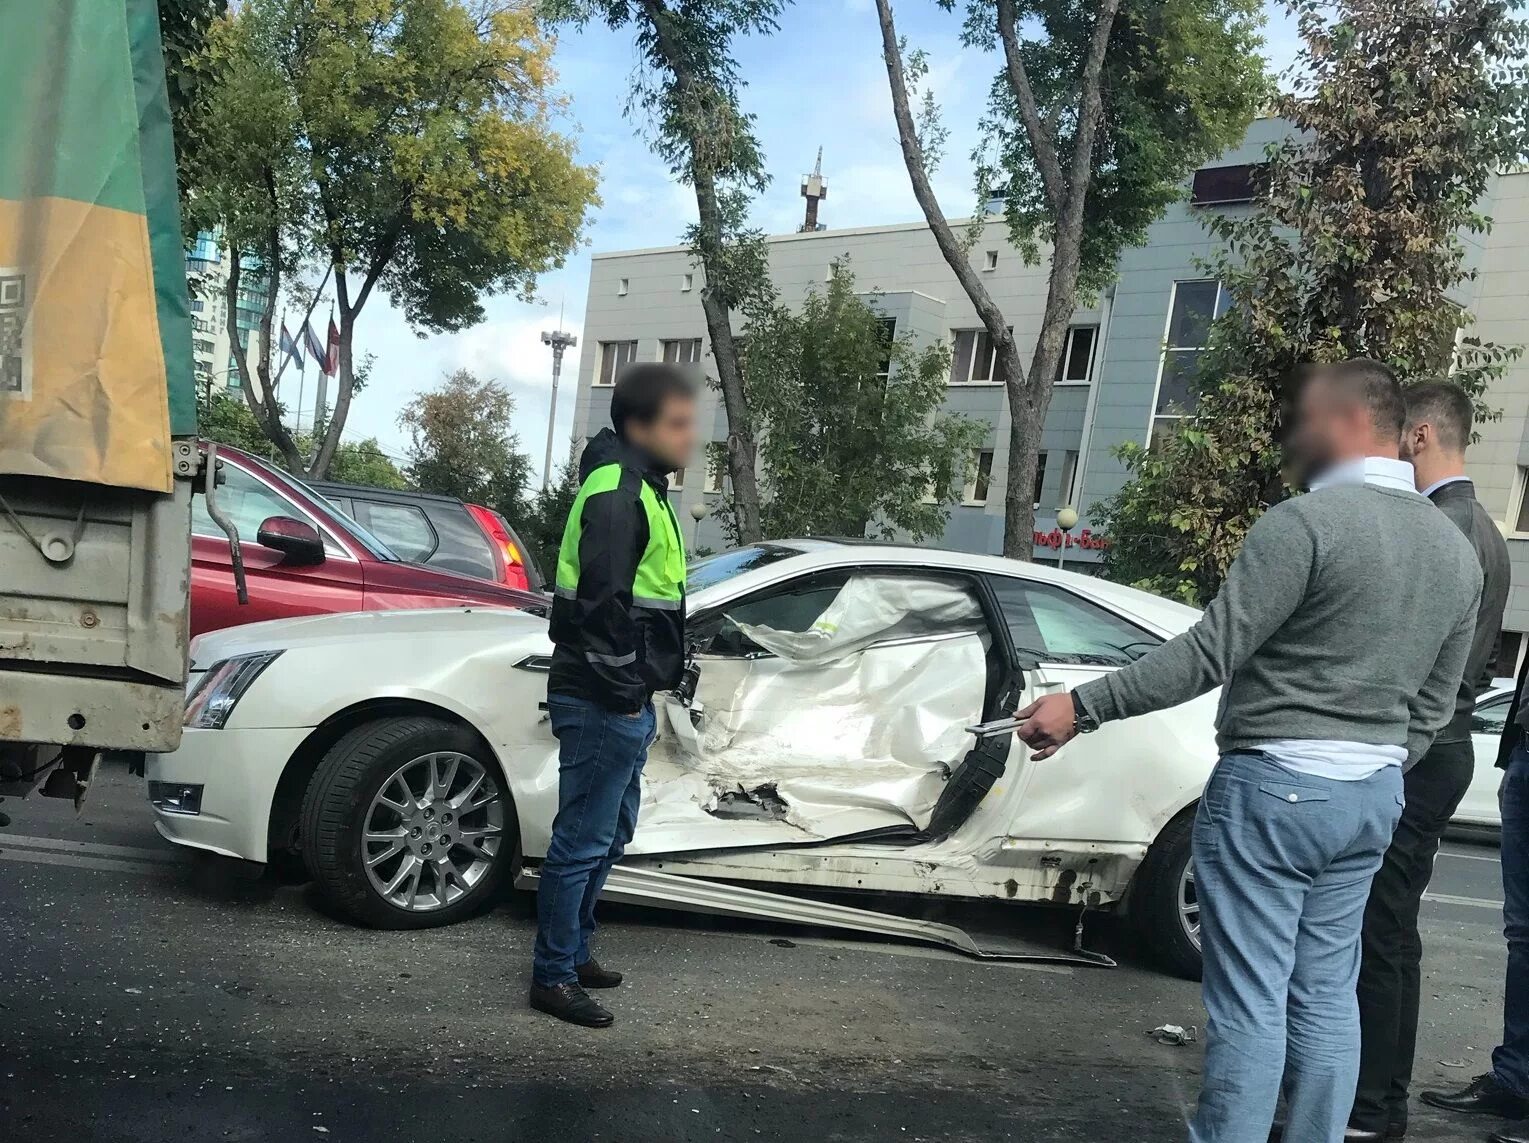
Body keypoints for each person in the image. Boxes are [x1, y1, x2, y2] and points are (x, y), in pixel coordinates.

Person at [1014, 359, 1482, 1143]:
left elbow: (1208, 653)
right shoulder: (1454, 553)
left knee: (1251, 997)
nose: (1295, 438)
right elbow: (1435, 702)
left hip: (1272, 786)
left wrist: (1081, 706)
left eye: (1304, 421)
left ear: (1341, 422)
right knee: (1329, 993)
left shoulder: (1301, 525)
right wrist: (1375, 762)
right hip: (1369, 794)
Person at [1350, 381, 1508, 1140]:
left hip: (1421, 746)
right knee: (1392, 930)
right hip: (1446, 746)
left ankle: (1369, 1105)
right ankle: (1377, 1096)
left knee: (1376, 930)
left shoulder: (1437, 527)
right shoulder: (1483, 527)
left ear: (1416, 436)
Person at [529, 363, 696, 1028]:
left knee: (607, 835)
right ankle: (553, 975)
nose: (689, 439)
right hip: (602, 697)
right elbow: (601, 609)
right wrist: (628, 693)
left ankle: (573, 950)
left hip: (620, 697)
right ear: (638, 426)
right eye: (677, 425)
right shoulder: (620, 490)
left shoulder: (641, 487)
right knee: (581, 839)